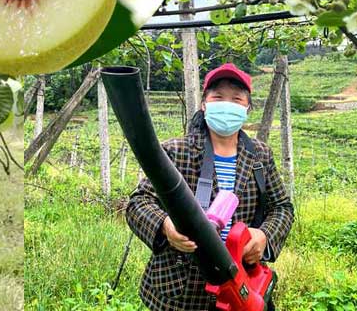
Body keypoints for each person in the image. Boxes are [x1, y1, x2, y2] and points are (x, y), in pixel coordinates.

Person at [126, 63, 294, 311]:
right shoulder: (176, 151)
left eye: (236, 99)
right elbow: (138, 202)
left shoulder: (259, 155)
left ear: (248, 108)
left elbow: (282, 207)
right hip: (180, 289)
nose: (227, 104)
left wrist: (264, 235)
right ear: (205, 104)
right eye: (218, 97)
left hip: (240, 284)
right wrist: (165, 226)